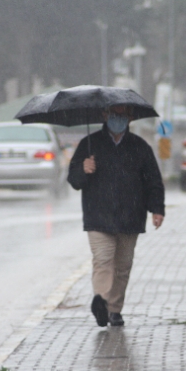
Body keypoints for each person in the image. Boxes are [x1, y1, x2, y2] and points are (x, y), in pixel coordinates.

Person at [67, 105, 165, 327]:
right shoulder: (89, 145)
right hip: (98, 217)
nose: (117, 119)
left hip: (131, 217)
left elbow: (153, 181)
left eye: (122, 115)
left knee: (123, 266)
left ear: (130, 118)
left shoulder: (140, 147)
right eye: (113, 114)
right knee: (103, 261)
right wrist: (83, 168)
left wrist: (157, 209)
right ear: (104, 115)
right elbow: (73, 180)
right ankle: (100, 301)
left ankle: (114, 310)